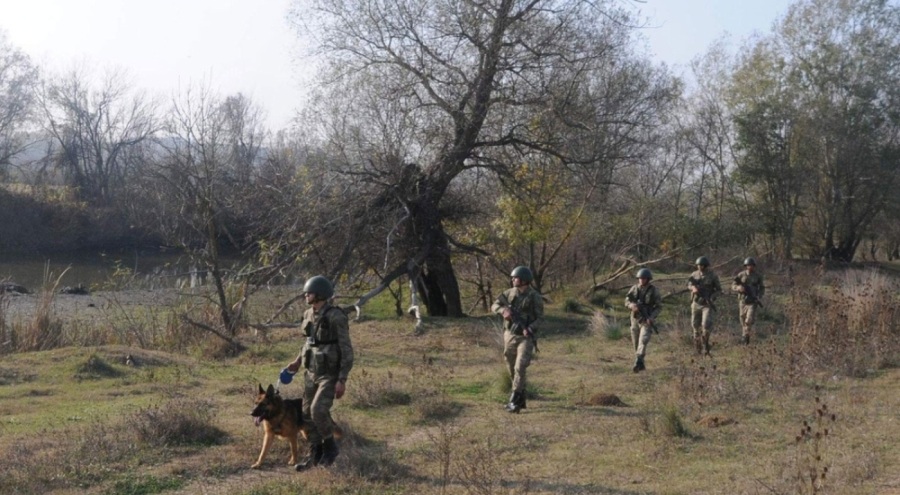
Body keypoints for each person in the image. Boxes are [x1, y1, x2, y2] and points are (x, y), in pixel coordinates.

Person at [285, 275, 354, 471]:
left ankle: (330, 449)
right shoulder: (308, 314)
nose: (306, 295)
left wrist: (342, 379)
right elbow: (309, 342)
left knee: (318, 410)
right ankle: (315, 454)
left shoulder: (336, 316)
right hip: (311, 371)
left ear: (320, 295)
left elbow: (346, 349)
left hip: (329, 374)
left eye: (310, 293)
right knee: (306, 413)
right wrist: (297, 361)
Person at [491, 266, 544, 413]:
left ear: (524, 280)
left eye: (516, 278)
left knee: (520, 367)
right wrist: (503, 311)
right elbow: (494, 305)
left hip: (525, 338)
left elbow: (541, 318)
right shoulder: (509, 293)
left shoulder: (534, 297)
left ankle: (514, 401)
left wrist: (530, 328)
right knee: (510, 365)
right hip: (510, 335)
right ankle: (521, 396)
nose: (513, 280)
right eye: (513, 277)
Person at [624, 268, 662, 372]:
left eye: (644, 278)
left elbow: (659, 307)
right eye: (640, 278)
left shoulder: (654, 290)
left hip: (646, 319)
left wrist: (652, 317)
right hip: (635, 318)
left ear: (648, 279)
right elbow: (626, 301)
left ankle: (638, 361)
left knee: (643, 340)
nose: (641, 280)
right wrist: (631, 305)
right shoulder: (634, 288)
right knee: (636, 342)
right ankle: (641, 363)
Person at [687, 256, 722, 355]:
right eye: (698, 265)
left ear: (706, 266)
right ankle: (697, 348)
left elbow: (719, 290)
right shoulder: (694, 274)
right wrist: (693, 288)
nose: (700, 267)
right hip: (696, 303)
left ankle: (705, 345)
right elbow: (689, 284)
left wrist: (711, 297)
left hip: (706, 304)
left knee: (706, 325)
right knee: (695, 325)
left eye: (702, 265)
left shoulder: (713, 276)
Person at [731, 257, 765, 345]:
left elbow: (762, 288)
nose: (750, 267)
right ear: (746, 266)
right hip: (742, 301)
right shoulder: (741, 275)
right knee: (742, 318)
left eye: (752, 265)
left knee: (749, 320)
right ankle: (745, 334)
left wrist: (759, 296)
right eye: (748, 265)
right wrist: (738, 288)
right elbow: (733, 285)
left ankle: (746, 336)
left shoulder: (758, 276)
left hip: (752, 301)